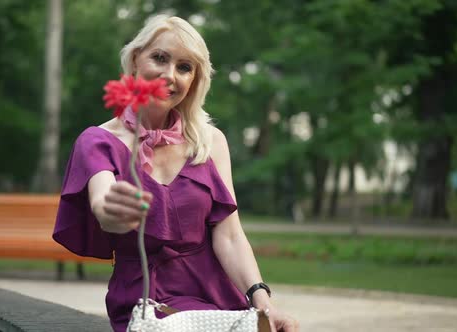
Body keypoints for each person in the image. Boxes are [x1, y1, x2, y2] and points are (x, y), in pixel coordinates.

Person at [53, 14, 299, 332]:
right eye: (160, 58)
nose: (170, 75)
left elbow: (231, 236)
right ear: (135, 59)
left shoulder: (211, 142)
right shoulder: (98, 141)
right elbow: (104, 207)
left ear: (194, 80)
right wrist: (116, 212)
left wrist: (264, 304)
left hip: (217, 296)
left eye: (184, 67)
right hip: (146, 299)